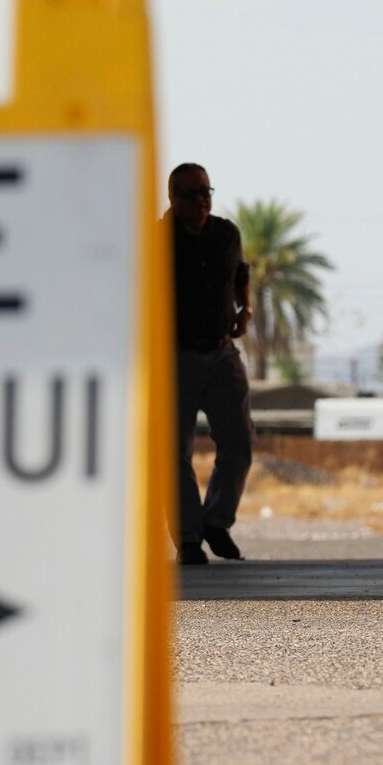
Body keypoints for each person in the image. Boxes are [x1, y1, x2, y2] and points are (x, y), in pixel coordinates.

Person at [167, 163, 254, 565]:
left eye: (205, 191)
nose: (200, 200)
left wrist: (245, 309)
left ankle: (216, 522)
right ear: (172, 198)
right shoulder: (155, 241)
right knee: (174, 451)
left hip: (222, 354)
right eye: (190, 194)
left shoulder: (226, 234)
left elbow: (241, 274)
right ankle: (188, 540)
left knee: (239, 440)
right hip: (175, 357)